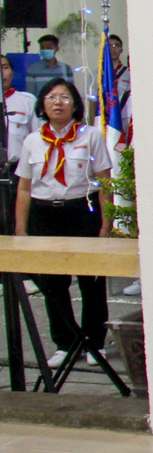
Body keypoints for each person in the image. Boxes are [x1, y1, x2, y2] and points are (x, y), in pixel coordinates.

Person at [15, 78, 113, 369]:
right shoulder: (33, 140)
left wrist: (106, 225)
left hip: (82, 210)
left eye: (65, 97)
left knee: (91, 281)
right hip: (45, 215)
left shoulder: (90, 136)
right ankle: (65, 341)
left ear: (75, 104)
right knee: (53, 283)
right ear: (42, 104)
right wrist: (21, 229)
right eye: (51, 97)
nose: (58, 102)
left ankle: (95, 342)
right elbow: (23, 188)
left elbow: (105, 182)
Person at [3, 55, 38, 165]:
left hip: (18, 168)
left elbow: (39, 138)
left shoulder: (28, 101)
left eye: (4, 67)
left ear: (12, 74)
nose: (1, 72)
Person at [107, 34, 131, 99]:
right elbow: (93, 102)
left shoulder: (129, 73)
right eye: (109, 45)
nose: (112, 48)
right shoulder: (96, 74)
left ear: (121, 50)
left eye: (116, 45)